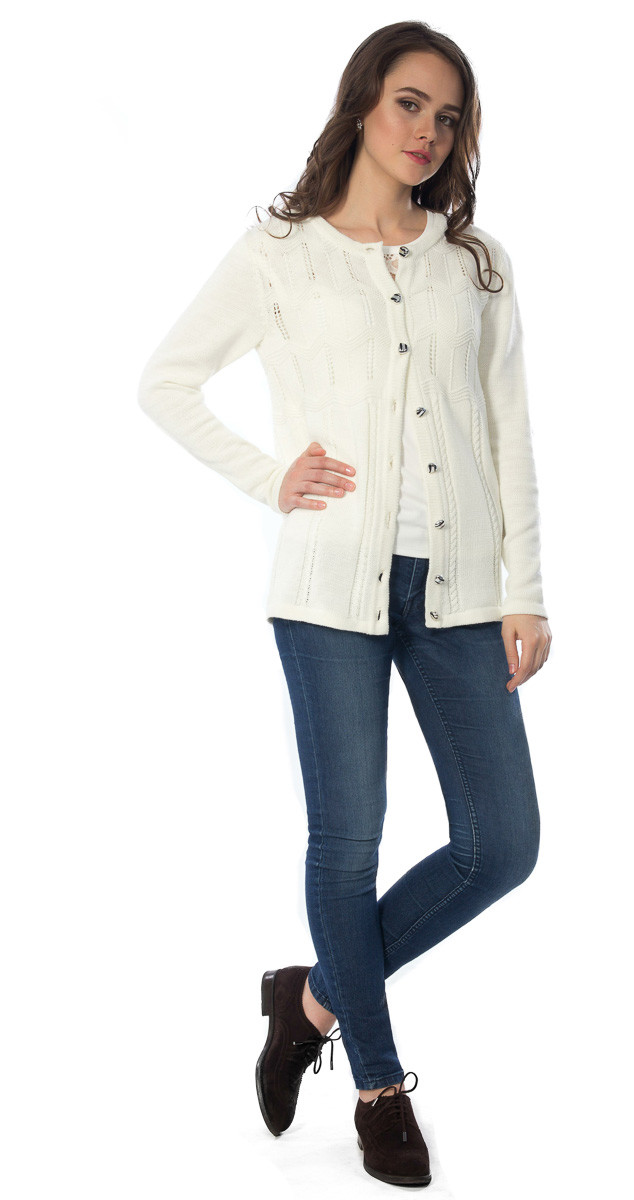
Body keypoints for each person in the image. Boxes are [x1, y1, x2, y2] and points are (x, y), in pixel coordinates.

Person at [138, 19, 552, 1190]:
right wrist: (271, 477)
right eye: (410, 103)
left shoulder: (475, 264)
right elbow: (166, 381)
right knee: (347, 841)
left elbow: (508, 432)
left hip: (460, 589)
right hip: (326, 589)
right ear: (363, 101)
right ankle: (377, 1085)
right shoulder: (282, 250)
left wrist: (525, 590)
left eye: (448, 117)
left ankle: (310, 998)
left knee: (501, 843)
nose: (428, 131)